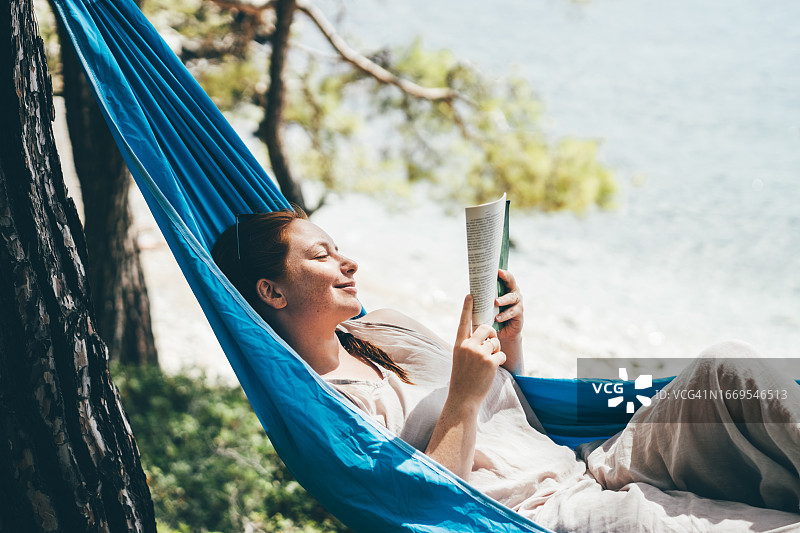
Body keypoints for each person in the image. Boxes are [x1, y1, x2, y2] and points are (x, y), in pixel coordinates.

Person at [212, 208, 800, 532]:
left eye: (338, 247)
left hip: (586, 459)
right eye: (321, 256)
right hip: (543, 513)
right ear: (272, 291)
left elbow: (507, 402)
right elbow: (420, 509)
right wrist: (463, 397)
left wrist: (510, 350)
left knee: (729, 365)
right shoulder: (329, 407)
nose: (349, 262)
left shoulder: (385, 326)